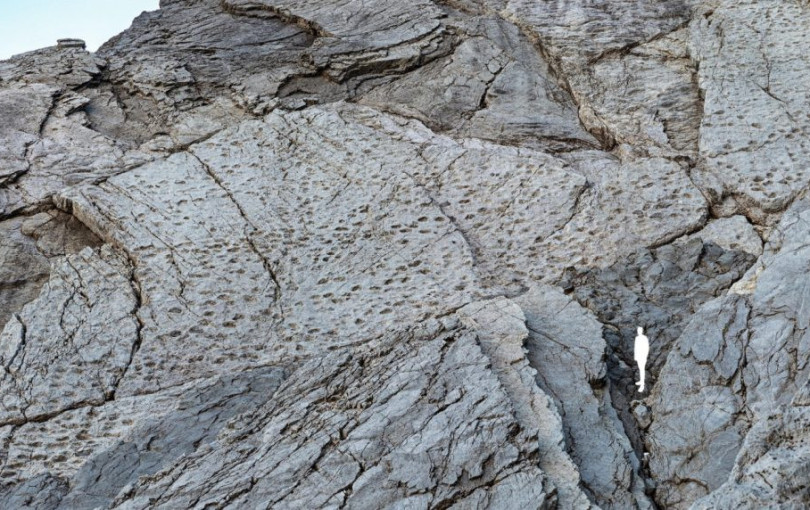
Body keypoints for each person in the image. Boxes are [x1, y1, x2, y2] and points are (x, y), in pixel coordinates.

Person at [634, 327, 650, 392]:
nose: (639, 331)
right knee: (640, 369)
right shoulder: (637, 338)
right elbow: (636, 348)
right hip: (638, 356)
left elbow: (647, 347)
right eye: (638, 330)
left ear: (642, 331)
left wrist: (645, 355)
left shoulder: (644, 338)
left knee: (642, 369)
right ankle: (641, 381)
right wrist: (636, 356)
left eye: (640, 330)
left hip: (643, 356)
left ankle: (642, 385)